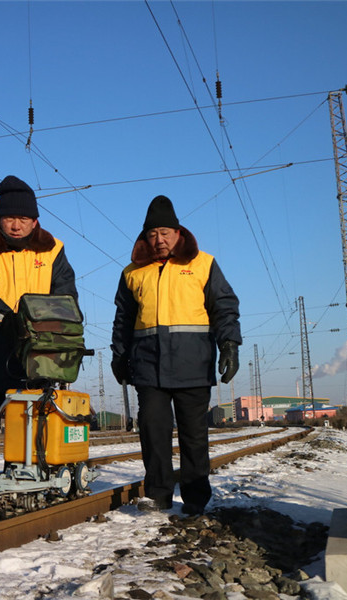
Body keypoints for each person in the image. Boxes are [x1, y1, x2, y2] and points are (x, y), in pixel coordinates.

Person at [0, 174, 78, 525]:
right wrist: (4, 317)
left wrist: (58, 333)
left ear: (35, 220)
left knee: (34, 431)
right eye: (9, 218)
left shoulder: (53, 249)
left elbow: (66, 295)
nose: (16, 225)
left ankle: (30, 501)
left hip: (38, 356)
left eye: (23, 219)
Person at [111, 195, 240, 515]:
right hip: (148, 366)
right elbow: (123, 319)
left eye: (165, 233)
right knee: (153, 431)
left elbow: (224, 306)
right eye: (152, 234)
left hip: (192, 363)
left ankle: (196, 498)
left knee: (193, 436)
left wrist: (229, 344)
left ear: (178, 232)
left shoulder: (203, 264)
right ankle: (158, 494)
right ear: (145, 237)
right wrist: (119, 355)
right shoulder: (132, 273)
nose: (159, 240)